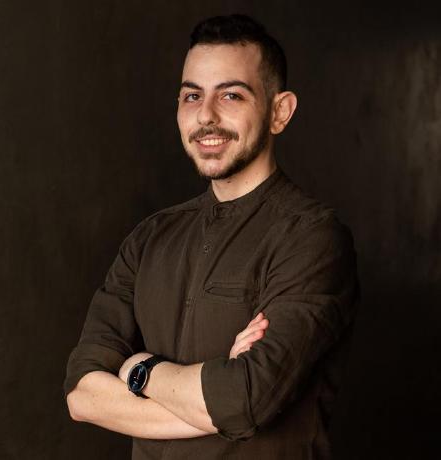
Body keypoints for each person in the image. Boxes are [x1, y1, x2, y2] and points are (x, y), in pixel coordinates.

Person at [65, 14, 358, 460]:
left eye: (231, 95)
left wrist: (140, 369)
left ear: (279, 112)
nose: (205, 115)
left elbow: (245, 400)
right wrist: (215, 404)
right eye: (192, 96)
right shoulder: (148, 239)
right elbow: (82, 396)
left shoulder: (313, 238)